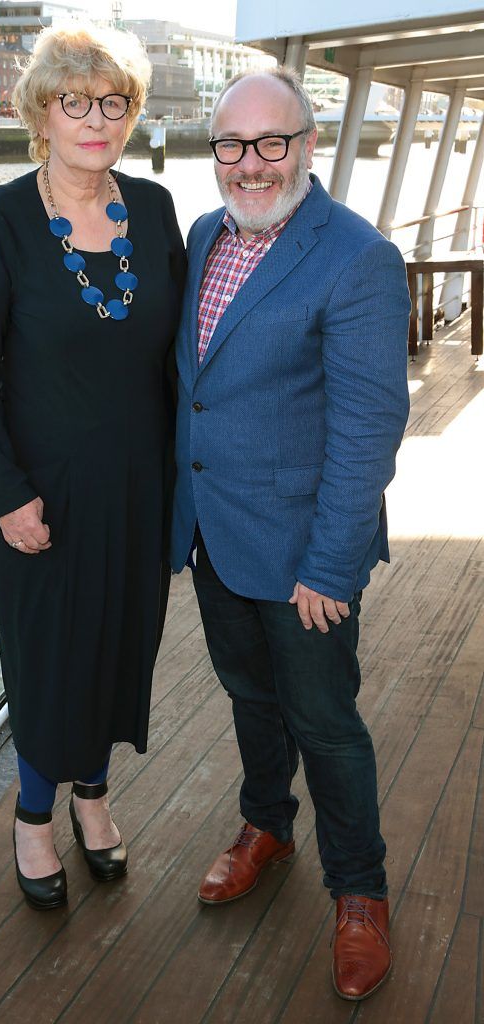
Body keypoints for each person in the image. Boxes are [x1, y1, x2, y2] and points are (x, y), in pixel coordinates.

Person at [170, 67, 410, 1001]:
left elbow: (365, 427)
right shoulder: (201, 237)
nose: (252, 164)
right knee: (246, 696)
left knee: (326, 724)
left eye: (273, 143)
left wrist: (331, 564)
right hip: (217, 536)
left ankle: (360, 894)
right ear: (217, 154)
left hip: (307, 552)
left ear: (307, 146)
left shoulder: (356, 257)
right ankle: (265, 825)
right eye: (233, 145)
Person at [0, 22, 185, 911]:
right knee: (48, 660)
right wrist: (7, 491)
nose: (96, 118)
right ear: (40, 112)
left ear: (132, 114)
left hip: (138, 488)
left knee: (120, 648)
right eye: (73, 101)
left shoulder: (154, 212)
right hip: (36, 496)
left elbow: (181, 361)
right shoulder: (1, 219)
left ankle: (94, 797)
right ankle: (34, 817)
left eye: (113, 101)